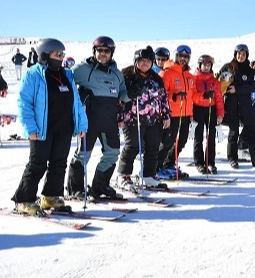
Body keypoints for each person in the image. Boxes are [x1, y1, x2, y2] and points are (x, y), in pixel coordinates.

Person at [11, 38, 88, 214]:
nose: (61, 58)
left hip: (64, 128)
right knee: (37, 164)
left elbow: (76, 102)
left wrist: (82, 124)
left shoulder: (67, 75)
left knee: (59, 164)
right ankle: (24, 200)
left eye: (63, 54)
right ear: (45, 55)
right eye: (57, 54)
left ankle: (51, 197)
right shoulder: (33, 74)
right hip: (42, 130)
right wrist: (30, 128)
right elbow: (24, 103)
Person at [66, 36, 129, 200]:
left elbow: (123, 95)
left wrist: (132, 93)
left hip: (109, 120)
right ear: (94, 52)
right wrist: (78, 97)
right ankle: (75, 189)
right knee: (82, 154)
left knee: (113, 153)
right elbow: (66, 83)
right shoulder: (83, 69)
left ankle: (100, 186)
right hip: (89, 120)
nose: (102, 54)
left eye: (106, 51)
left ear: (111, 53)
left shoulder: (116, 73)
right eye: (99, 50)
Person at [115, 46, 171, 190]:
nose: (145, 63)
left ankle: (148, 175)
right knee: (132, 146)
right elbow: (120, 99)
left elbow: (163, 98)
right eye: (141, 60)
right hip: (133, 118)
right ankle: (123, 175)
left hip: (153, 119)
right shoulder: (127, 76)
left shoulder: (157, 79)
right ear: (136, 61)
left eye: (148, 60)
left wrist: (166, 114)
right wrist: (120, 116)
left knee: (153, 147)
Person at [157, 44, 197, 178]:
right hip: (171, 114)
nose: (183, 59)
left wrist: (205, 96)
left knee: (182, 141)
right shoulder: (166, 73)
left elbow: (192, 95)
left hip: (185, 114)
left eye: (186, 57)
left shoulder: (190, 76)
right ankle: (156, 167)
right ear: (175, 56)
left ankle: (168, 164)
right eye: (181, 56)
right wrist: (174, 96)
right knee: (167, 142)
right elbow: (160, 94)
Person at [192, 54, 224, 173]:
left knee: (211, 137)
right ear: (200, 65)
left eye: (208, 65)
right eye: (204, 65)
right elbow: (193, 96)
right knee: (198, 137)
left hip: (211, 109)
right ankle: (199, 162)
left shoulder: (214, 81)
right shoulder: (194, 79)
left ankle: (210, 162)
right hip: (198, 109)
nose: (206, 67)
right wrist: (204, 96)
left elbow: (219, 98)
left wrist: (220, 113)